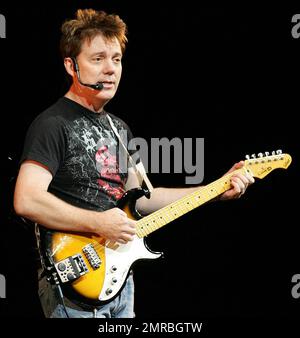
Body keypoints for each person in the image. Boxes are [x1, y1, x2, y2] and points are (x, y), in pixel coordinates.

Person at [13, 9, 254, 318]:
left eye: (116, 59)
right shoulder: (51, 124)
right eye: (98, 59)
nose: (110, 69)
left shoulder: (121, 129)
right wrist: (98, 223)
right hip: (75, 280)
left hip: (120, 279)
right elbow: (26, 199)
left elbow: (144, 198)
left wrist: (215, 189)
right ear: (71, 66)